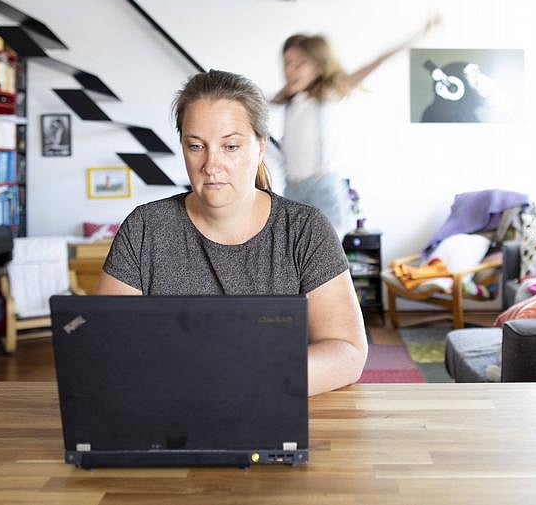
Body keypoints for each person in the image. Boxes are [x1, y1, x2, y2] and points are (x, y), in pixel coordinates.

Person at [95, 70, 367, 397]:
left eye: (231, 146)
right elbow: (105, 345)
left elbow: (347, 351)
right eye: (196, 146)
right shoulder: (145, 228)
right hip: (170, 414)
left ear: (261, 146)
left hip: (275, 409)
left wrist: (243, 378)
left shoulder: (305, 229)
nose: (211, 165)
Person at [272, 16, 439, 237]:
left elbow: (377, 63)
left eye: (300, 63)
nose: (290, 70)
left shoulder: (329, 94)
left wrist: (420, 34)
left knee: (325, 258)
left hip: (322, 187)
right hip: (293, 190)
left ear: (319, 68)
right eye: (287, 63)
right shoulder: (289, 102)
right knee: (291, 255)